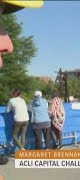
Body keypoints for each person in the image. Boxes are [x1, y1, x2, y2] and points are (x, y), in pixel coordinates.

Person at [0, 0, 43, 169]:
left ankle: (19, 148)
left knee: (13, 134)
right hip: (28, 120)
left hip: (19, 120)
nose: (9, 45)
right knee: (24, 134)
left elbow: (8, 111)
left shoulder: (13, 101)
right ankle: (24, 149)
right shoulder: (25, 100)